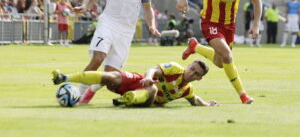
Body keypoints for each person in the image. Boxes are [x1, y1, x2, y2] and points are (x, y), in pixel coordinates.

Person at [73, 0, 160, 104]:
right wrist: (85, 6)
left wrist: (152, 25)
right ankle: (77, 94)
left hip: (126, 32)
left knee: (111, 80)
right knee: (98, 58)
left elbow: (148, 8)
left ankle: (88, 96)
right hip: (108, 23)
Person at [176, 0, 262, 104]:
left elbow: (257, 0)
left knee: (221, 62)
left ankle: (195, 47)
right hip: (210, 21)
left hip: (228, 25)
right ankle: (243, 95)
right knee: (228, 55)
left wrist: (256, 24)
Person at [52, 59, 218, 107]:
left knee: (152, 89)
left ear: (199, 78)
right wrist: (148, 75)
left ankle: (128, 99)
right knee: (112, 76)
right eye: (192, 68)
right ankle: (64, 78)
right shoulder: (175, 69)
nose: (191, 72)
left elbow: (195, 100)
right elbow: (153, 69)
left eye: (196, 73)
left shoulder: (186, 90)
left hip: (146, 98)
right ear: (188, 66)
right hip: (139, 81)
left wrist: (208, 104)